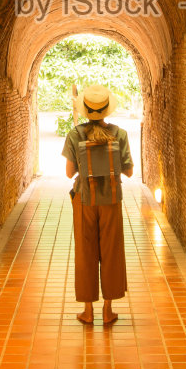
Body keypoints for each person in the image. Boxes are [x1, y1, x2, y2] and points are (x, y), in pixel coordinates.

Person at [63, 84, 133, 326]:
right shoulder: (120, 134)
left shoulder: (75, 134)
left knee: (86, 252)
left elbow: (69, 171)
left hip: (85, 201)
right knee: (112, 252)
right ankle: (108, 309)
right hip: (111, 201)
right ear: (107, 110)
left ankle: (87, 310)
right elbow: (130, 171)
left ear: (85, 110)